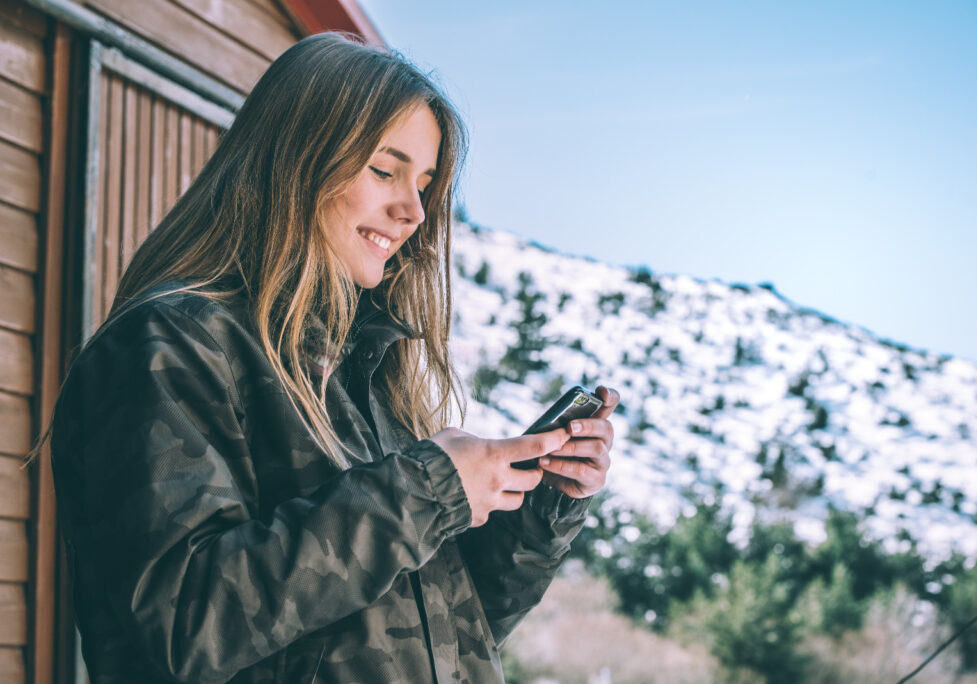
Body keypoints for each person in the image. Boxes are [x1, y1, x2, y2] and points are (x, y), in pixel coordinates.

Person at [46, 32, 618, 683]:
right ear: (296, 159)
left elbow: (447, 629)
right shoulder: (170, 346)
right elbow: (186, 625)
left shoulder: (363, 376)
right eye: (385, 171)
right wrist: (430, 491)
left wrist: (542, 507)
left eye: (426, 183)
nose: (413, 211)